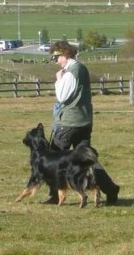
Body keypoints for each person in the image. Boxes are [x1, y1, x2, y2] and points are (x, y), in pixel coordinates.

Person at [47, 40, 120, 205]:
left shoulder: (72, 71)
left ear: (64, 54)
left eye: (56, 57)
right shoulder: (80, 69)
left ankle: (55, 195)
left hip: (69, 123)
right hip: (84, 121)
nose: (55, 61)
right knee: (87, 160)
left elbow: (63, 97)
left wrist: (58, 80)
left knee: (55, 158)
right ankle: (110, 188)